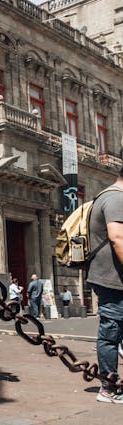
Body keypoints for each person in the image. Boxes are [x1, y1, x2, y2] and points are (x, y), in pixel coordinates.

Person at [87, 168, 123, 403]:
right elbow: (117, 237)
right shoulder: (116, 198)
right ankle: (108, 389)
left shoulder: (109, 196)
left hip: (113, 278)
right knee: (110, 333)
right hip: (113, 281)